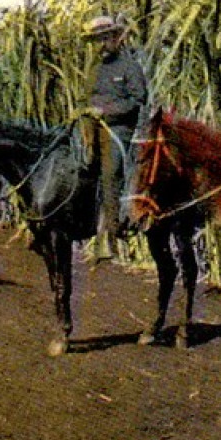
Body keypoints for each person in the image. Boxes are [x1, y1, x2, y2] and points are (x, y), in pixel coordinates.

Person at [83, 13, 150, 258]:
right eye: (96, 40)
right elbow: (87, 96)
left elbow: (138, 100)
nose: (101, 44)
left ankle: (112, 239)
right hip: (91, 126)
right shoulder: (95, 67)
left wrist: (107, 111)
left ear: (115, 37)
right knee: (78, 166)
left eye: (105, 38)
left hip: (118, 130)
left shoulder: (129, 67)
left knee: (111, 174)